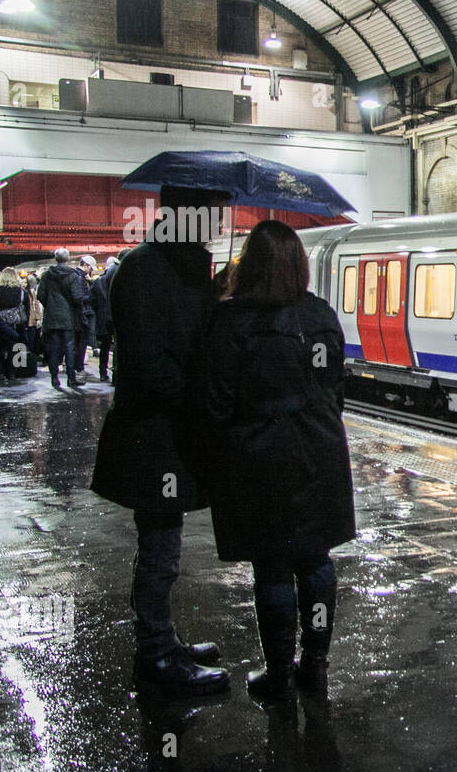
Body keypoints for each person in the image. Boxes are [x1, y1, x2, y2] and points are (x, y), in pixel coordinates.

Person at [203, 220, 354, 699]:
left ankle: (279, 674)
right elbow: (335, 389)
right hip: (321, 451)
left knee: (271, 566)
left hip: (260, 457)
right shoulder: (321, 315)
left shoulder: (232, 322)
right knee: (316, 560)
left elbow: (216, 403)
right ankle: (316, 665)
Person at [91, 186, 232, 696]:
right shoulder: (147, 269)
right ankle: (155, 654)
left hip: (167, 433)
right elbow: (152, 362)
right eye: (213, 214)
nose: (220, 224)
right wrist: (200, 405)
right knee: (159, 550)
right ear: (189, 216)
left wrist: (216, 295)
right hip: (153, 436)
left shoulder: (175, 266)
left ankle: (164, 639)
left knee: (162, 542)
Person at [36, 249, 86, 389]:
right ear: (68, 259)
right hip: (68, 317)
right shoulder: (73, 276)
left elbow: (40, 295)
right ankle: (71, 378)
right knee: (69, 348)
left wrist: (50, 306)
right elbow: (77, 297)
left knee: (54, 348)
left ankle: (54, 378)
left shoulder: (46, 275)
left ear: (55, 258)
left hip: (52, 318)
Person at [0, 265, 30, 385]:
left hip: (0, 324)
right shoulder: (21, 292)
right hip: (16, 325)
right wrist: (26, 324)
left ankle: (0, 373)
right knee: (17, 348)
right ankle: (13, 373)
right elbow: (26, 309)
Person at [89, 257, 118, 381]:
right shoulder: (118, 279)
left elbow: (91, 301)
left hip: (103, 318)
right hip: (117, 318)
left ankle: (102, 372)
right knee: (118, 346)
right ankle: (116, 372)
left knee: (104, 348)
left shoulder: (98, 281)